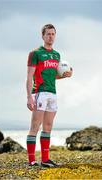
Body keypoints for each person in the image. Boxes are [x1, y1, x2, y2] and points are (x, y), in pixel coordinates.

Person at [26, 24, 73, 167]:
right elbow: (29, 77)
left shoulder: (57, 55)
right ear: (43, 36)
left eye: (53, 34)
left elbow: (53, 76)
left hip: (53, 93)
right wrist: (29, 97)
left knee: (48, 126)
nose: (51, 36)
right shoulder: (35, 53)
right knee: (35, 126)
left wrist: (64, 75)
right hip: (40, 92)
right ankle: (32, 161)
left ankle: (45, 159)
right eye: (48, 34)